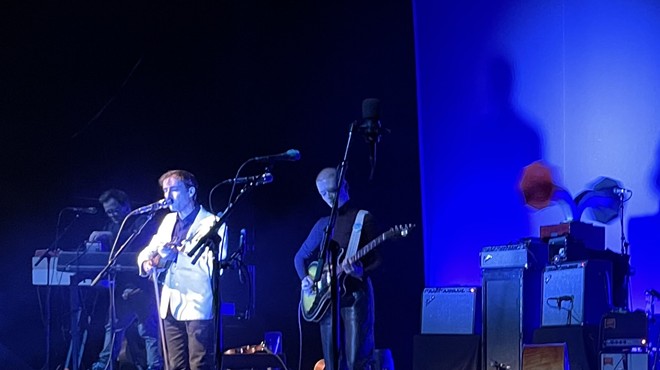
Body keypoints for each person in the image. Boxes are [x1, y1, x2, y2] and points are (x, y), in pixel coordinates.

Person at [137, 169, 225, 370]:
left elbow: (213, 266)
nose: (168, 195)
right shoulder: (168, 221)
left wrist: (176, 255)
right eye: (165, 190)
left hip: (197, 306)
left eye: (174, 189)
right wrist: (146, 263)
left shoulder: (212, 223)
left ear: (191, 192)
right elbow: (149, 249)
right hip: (170, 305)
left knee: (199, 365)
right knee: (174, 365)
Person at [294, 167, 379, 370]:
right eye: (322, 193)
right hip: (327, 300)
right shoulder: (323, 225)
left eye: (331, 190)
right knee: (331, 362)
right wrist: (305, 278)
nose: (328, 197)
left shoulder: (362, 218)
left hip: (355, 295)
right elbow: (299, 257)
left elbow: (378, 260)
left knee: (355, 361)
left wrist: (360, 272)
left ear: (344, 185)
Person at [90, 189, 163, 370]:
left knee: (148, 330)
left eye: (115, 210)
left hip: (141, 286)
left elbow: (136, 246)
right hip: (121, 287)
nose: (112, 215)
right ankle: (104, 363)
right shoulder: (110, 226)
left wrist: (109, 236)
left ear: (126, 206)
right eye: (108, 212)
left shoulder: (141, 222)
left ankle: (155, 365)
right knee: (113, 327)